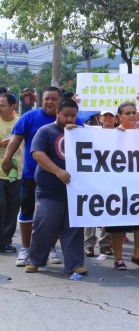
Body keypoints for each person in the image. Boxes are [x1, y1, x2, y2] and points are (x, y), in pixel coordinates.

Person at [2, 87, 83, 267]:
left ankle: (50, 249)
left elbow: (89, 141)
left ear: (60, 101)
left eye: (54, 99)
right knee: (29, 213)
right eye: (46, 98)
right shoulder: (29, 117)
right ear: (42, 100)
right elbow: (16, 139)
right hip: (32, 175)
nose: (49, 102)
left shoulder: (75, 121)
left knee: (54, 217)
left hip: (68, 178)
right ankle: (26, 248)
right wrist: (7, 159)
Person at [24, 98, 87, 275]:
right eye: (66, 115)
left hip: (74, 190)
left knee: (74, 228)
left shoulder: (80, 132)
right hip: (49, 189)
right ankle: (35, 260)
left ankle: (74, 264)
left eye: (73, 116)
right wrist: (58, 171)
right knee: (44, 224)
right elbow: (38, 154)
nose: (69, 119)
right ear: (57, 113)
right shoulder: (45, 131)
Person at [106, 102, 139, 270]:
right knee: (118, 222)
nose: (131, 115)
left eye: (134, 112)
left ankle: (137, 255)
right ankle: (118, 258)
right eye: (127, 113)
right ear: (119, 116)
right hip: (118, 184)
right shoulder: (111, 135)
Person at [83, 110, 115, 257]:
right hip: (93, 178)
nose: (108, 118)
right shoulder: (90, 131)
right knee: (91, 210)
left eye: (111, 115)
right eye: (105, 115)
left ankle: (105, 243)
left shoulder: (122, 134)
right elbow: (76, 126)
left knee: (110, 210)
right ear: (100, 118)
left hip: (112, 178)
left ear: (116, 119)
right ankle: (89, 244)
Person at [0, 93, 23, 254]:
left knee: (12, 209)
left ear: (12, 106)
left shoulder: (21, 123)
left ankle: (5, 241)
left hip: (17, 174)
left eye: (2, 105)